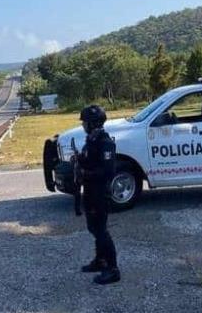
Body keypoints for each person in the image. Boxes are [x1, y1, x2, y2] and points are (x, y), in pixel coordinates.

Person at [78, 104, 120, 285]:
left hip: (100, 192)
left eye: (85, 122)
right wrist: (78, 160)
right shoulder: (91, 141)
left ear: (93, 123)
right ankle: (100, 261)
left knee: (101, 230)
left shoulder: (105, 142)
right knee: (93, 228)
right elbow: (89, 160)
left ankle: (112, 269)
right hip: (89, 192)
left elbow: (108, 171)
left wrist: (86, 174)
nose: (83, 126)